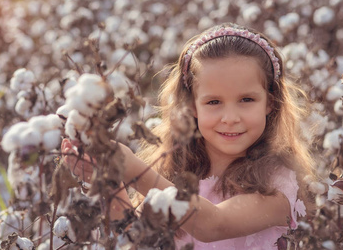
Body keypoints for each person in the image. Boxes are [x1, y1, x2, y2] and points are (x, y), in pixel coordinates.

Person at [62, 22, 317, 249]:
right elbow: (138, 241)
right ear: (192, 106)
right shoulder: (174, 172)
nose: (230, 117)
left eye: (246, 99)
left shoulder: (277, 183)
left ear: (270, 103)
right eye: (214, 102)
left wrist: (131, 168)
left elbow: (213, 225)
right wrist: (109, 182)